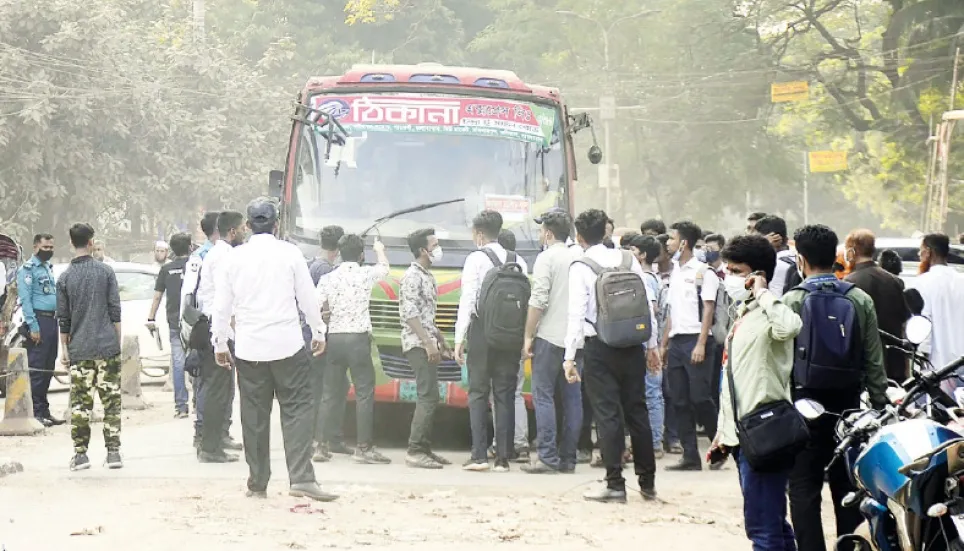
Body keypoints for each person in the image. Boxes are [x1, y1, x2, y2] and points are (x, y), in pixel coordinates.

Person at [212, 198, 337, 502]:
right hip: (288, 345)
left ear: (248, 226)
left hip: (249, 349)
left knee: (254, 417)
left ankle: (257, 484)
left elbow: (221, 305)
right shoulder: (290, 253)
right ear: (277, 223)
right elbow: (307, 298)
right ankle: (301, 478)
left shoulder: (233, 258)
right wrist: (319, 330)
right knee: (297, 409)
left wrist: (220, 341)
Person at [782, 224, 888, 551]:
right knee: (848, 488)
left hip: (803, 407)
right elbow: (873, 361)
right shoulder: (859, 299)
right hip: (849, 409)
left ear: (800, 258)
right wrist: (880, 405)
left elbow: (783, 363)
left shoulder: (792, 300)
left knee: (803, 488)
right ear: (837, 257)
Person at [708, 234, 801, 551]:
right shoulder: (743, 314)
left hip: (765, 433)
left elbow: (790, 326)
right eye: (727, 270)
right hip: (743, 436)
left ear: (757, 274)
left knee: (763, 530)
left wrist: (764, 293)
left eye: (736, 270)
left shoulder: (770, 311)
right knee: (773, 524)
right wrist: (723, 432)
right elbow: (732, 380)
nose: (728, 277)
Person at [565, 209, 659, 502]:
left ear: (579, 236)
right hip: (632, 345)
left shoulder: (581, 264)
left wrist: (569, 356)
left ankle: (615, 484)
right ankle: (647, 482)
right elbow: (647, 308)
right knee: (637, 412)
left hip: (599, 348)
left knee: (607, 416)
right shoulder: (629, 260)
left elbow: (576, 313)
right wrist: (652, 346)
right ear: (605, 231)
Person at [454, 210, 529, 473]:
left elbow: (468, 299)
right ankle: (503, 459)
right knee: (504, 394)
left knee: (478, 393)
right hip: (510, 335)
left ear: (479, 234)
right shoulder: (518, 260)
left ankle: (479, 456)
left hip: (481, 333)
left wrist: (459, 338)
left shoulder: (475, 258)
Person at [316, 233, 391, 464]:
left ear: (339, 253)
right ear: (361, 255)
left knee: (329, 393)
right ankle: (364, 448)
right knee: (364, 393)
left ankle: (320, 446)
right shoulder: (365, 274)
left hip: (335, 339)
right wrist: (379, 248)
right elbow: (384, 268)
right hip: (358, 339)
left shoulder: (329, 278)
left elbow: (316, 307)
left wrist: (321, 329)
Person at [57, 223, 124, 471]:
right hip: (106, 347)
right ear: (91, 242)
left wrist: (64, 350)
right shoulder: (106, 272)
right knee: (111, 402)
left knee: (81, 405)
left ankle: (81, 454)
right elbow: (115, 311)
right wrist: (116, 342)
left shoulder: (64, 278)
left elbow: (63, 319)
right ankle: (114, 453)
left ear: (71, 242)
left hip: (80, 350)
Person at [522, 209, 583, 474]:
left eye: (540, 230)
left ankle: (547, 456)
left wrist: (528, 334)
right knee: (572, 398)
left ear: (548, 233)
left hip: (549, 337)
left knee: (543, 395)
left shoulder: (546, 258)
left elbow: (538, 300)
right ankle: (568, 458)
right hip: (576, 341)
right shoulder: (580, 257)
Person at [663, 221, 720, 471]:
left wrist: (701, 343)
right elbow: (671, 312)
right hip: (676, 342)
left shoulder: (703, 272)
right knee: (679, 400)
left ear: (683, 242)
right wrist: (664, 344)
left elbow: (708, 308)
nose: (668, 243)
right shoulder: (675, 271)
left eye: (672, 239)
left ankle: (720, 446)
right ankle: (690, 456)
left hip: (696, 340)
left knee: (700, 398)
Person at [195, 211, 246, 463]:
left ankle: (215, 441)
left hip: (218, 327)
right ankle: (209, 448)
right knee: (217, 390)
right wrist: (226, 336)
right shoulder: (224, 255)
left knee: (222, 390)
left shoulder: (220, 252)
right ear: (233, 231)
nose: (246, 232)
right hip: (217, 329)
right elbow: (225, 299)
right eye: (242, 228)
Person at [400, 228, 452, 469]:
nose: (438, 248)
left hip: (427, 341)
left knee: (431, 395)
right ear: (423, 250)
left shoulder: (427, 275)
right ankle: (415, 450)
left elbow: (426, 316)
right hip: (417, 344)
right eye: (434, 244)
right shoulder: (412, 276)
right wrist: (429, 343)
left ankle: (425, 448)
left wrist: (440, 339)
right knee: (427, 395)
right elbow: (409, 314)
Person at [843, 230, 911, 382]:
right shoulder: (894, 281)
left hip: (865, 364)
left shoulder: (849, 283)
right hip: (894, 361)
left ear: (852, 251)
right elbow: (903, 322)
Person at [308, 225, 351, 460]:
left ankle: (329, 437)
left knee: (333, 386)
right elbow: (324, 307)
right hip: (321, 338)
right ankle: (323, 438)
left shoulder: (312, 264)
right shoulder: (326, 271)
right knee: (327, 389)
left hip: (314, 336)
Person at [181, 211, 221, 447]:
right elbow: (189, 297)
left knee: (211, 383)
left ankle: (214, 432)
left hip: (206, 325)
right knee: (206, 382)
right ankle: (203, 433)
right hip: (205, 326)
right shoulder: (202, 256)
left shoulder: (208, 254)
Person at [17, 233, 64, 427]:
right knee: (37, 368)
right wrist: (33, 326)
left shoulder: (47, 267)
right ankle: (36, 412)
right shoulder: (28, 270)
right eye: (45, 247)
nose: (49, 251)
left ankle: (44, 410)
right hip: (38, 321)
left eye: (51, 247)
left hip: (52, 321)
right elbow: (26, 301)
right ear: (36, 247)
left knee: (48, 367)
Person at [629, 234, 666, 460]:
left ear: (642, 255)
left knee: (651, 393)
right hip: (651, 340)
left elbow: (651, 308)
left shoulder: (646, 278)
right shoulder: (653, 276)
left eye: (633, 249)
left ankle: (653, 444)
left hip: (647, 343)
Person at [494, 228, 530, 462]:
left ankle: (500, 444)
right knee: (515, 391)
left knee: (497, 392)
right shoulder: (523, 265)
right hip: (519, 334)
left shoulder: (490, 265)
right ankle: (521, 443)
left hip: (496, 336)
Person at [911, 233, 964, 391]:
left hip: (938, 367)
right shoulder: (961, 280)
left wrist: (921, 359)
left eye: (921, 251)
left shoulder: (921, 283)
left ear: (928, 252)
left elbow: (923, 326)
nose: (919, 255)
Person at [148, 233, 192, 418]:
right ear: (190, 247)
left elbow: (157, 295)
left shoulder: (166, 269)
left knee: (178, 362)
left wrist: (151, 317)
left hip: (174, 322)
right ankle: (200, 402)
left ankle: (181, 406)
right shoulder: (196, 267)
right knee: (197, 360)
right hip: (194, 321)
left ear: (171, 250)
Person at [655, 233, 682, 455]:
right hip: (649, 340)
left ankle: (673, 437)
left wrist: (665, 342)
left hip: (670, 338)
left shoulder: (678, 272)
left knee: (670, 391)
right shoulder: (649, 273)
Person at [753, 215, 798, 298]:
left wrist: (764, 245)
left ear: (775, 239)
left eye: (758, 240)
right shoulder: (799, 259)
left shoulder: (773, 265)